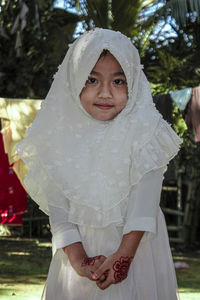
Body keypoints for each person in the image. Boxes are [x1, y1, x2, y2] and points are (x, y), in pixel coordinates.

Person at [16, 28, 182, 300]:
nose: (105, 93)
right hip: (78, 260)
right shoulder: (58, 138)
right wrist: (78, 259)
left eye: (118, 81)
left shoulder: (146, 133)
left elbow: (144, 204)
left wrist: (123, 258)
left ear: (133, 83)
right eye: (92, 79)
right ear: (74, 80)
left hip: (136, 250)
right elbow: (58, 209)